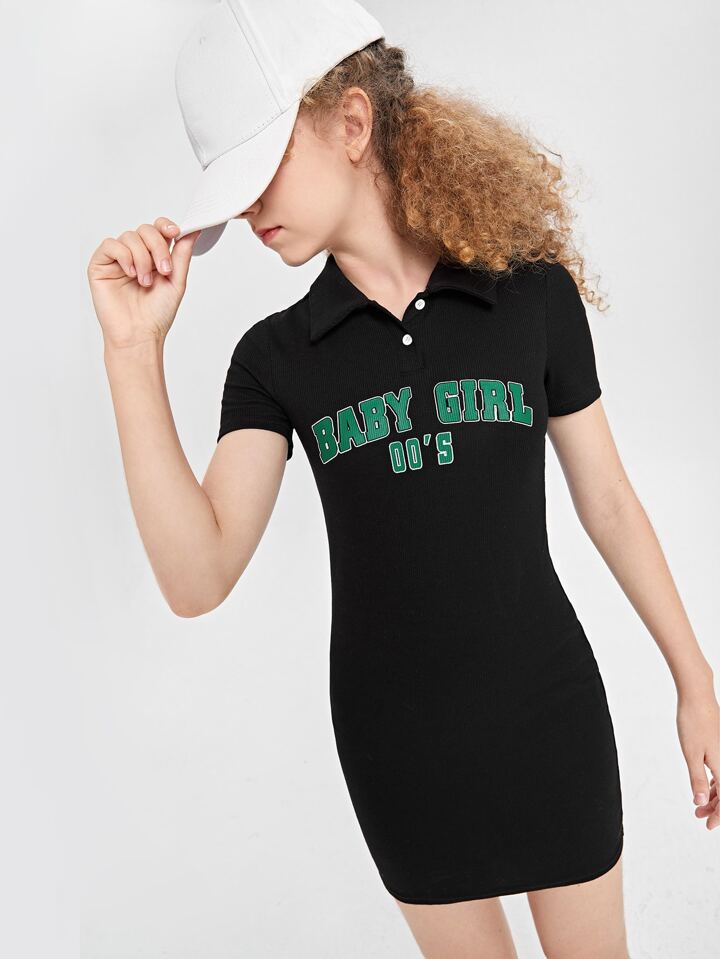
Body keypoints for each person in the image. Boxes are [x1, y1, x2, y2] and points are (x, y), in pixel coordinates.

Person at [86, 28, 719, 959]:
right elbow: (196, 576)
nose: (250, 207)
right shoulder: (275, 359)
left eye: (264, 168)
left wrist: (695, 681)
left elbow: (611, 503)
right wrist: (132, 350)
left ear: (352, 122)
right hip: (401, 757)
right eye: (234, 186)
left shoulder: (530, 296)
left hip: (549, 723)